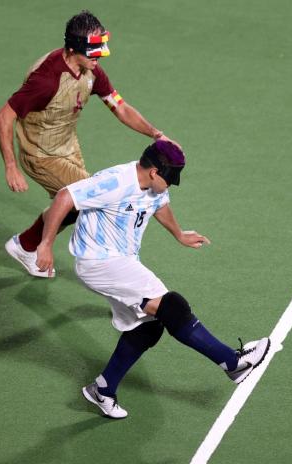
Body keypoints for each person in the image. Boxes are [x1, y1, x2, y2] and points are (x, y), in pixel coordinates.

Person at [35, 140, 271, 418]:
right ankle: (234, 363)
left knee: (148, 326)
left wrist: (179, 234)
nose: (172, 184)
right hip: (99, 262)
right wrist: (46, 244)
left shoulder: (152, 187)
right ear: (153, 172)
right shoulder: (115, 182)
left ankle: (103, 389)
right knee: (172, 306)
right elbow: (64, 196)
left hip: (122, 262)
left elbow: (159, 204)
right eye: (169, 178)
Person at [0, 10, 178, 278]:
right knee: (92, 203)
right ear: (72, 49)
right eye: (94, 51)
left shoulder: (91, 71)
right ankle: (108, 272)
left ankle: (26, 244)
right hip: (42, 154)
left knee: (75, 202)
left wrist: (155, 134)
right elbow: (3, 117)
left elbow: (120, 107)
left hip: (69, 147)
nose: (101, 55)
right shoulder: (47, 80)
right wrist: (11, 166)